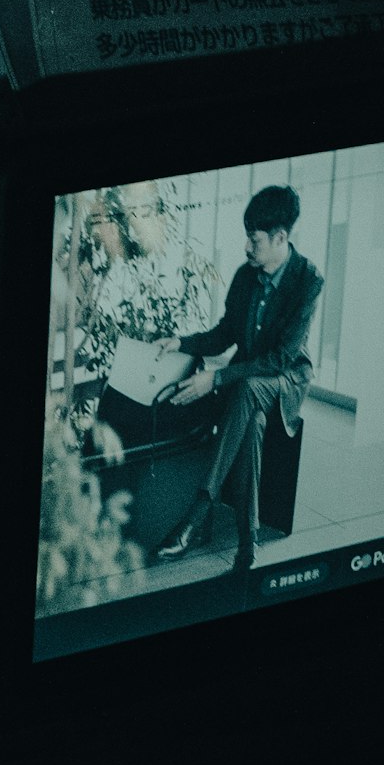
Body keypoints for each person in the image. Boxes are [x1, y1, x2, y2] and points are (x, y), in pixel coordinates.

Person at [151, 185, 322, 570]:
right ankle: (248, 546)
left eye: (254, 239)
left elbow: (280, 359)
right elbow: (224, 333)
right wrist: (179, 342)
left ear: (280, 237)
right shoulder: (247, 276)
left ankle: (194, 517)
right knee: (251, 423)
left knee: (245, 389)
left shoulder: (308, 280)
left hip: (286, 381)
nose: (247, 247)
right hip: (250, 384)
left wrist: (215, 379)